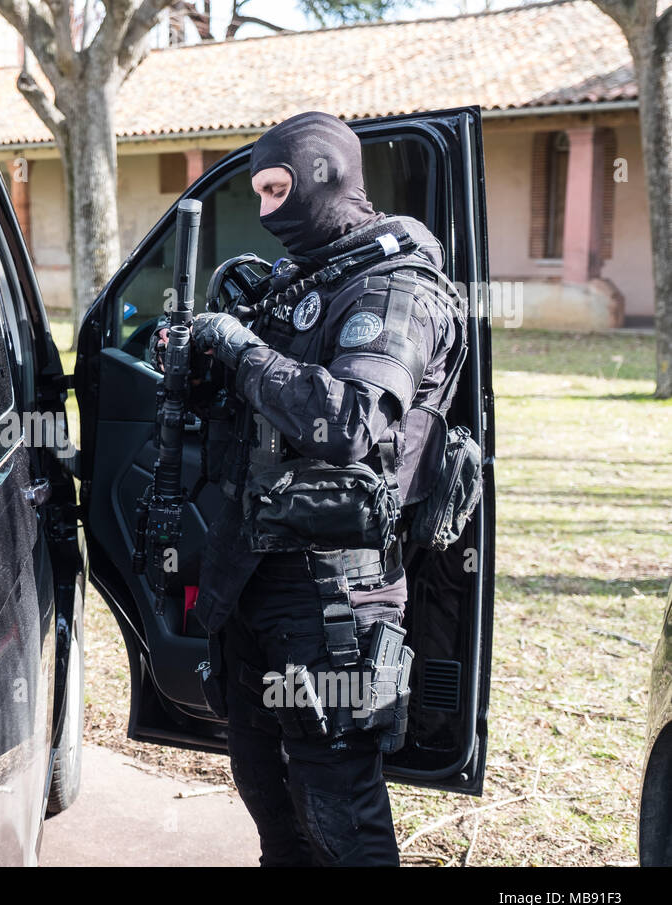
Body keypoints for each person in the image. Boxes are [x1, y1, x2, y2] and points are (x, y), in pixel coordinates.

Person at [180, 112, 467, 866]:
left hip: (333, 594)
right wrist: (203, 361)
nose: (269, 212)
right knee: (266, 788)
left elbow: (349, 421)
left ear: (326, 179)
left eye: (280, 190)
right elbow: (261, 411)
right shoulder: (298, 283)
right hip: (253, 570)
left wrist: (240, 350)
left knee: (337, 805)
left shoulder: (396, 288)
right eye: (260, 194)